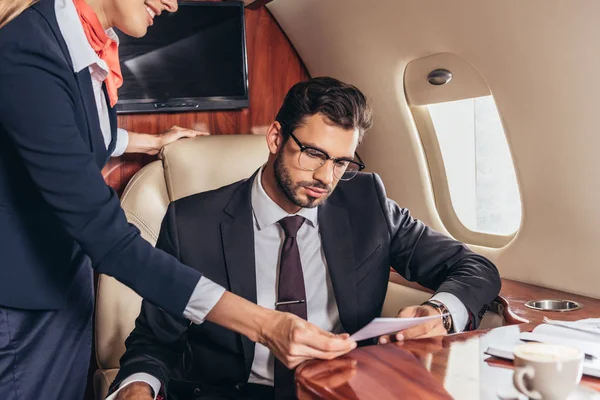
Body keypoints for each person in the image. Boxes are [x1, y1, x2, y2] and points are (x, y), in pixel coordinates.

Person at [0, 2, 354, 399]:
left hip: (65, 280)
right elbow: (110, 240)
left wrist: (148, 141)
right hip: (22, 301)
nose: (172, 3)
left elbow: (70, 132)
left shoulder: (81, 43)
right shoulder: (28, 52)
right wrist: (264, 325)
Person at [107, 77, 502, 400]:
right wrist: (138, 387)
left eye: (341, 162)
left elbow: (474, 267)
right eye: (313, 154)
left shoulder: (366, 202)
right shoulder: (191, 223)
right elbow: (154, 340)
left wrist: (440, 313)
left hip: (344, 390)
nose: (326, 178)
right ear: (276, 138)